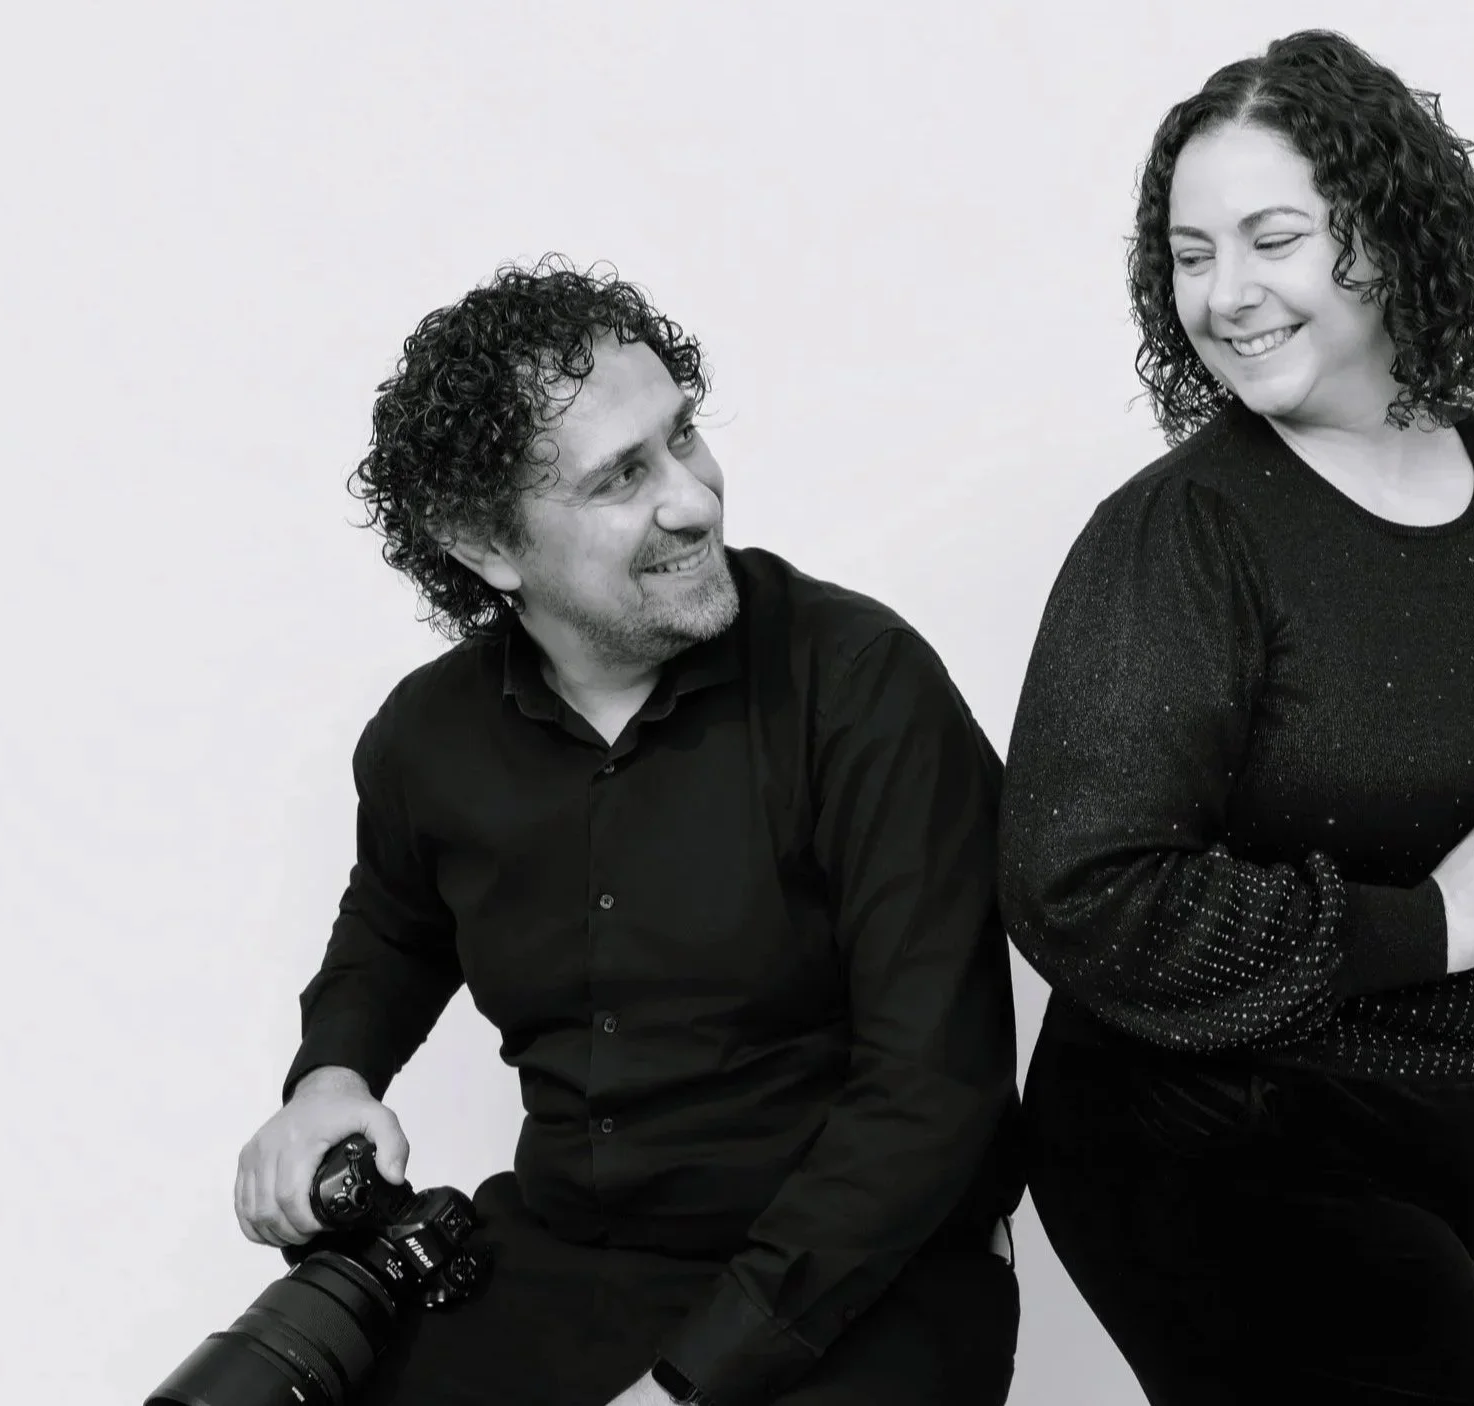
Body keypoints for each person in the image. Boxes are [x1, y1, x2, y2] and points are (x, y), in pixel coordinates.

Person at [999, 30, 1474, 1406]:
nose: (1224, 296)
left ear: (1392, 233)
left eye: (1272, 239)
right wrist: (1431, 921)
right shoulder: (1184, 533)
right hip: (1210, 1140)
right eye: (1189, 252)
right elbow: (1078, 890)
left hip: (1457, 1141)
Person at [232, 258, 1026, 1406]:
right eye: (622, 477)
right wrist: (329, 1080)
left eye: (684, 436)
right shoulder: (426, 738)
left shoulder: (861, 683)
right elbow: (392, 932)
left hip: (858, 1279)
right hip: (564, 1257)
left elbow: (932, 1094)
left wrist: (684, 1387)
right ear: (485, 545)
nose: (695, 498)